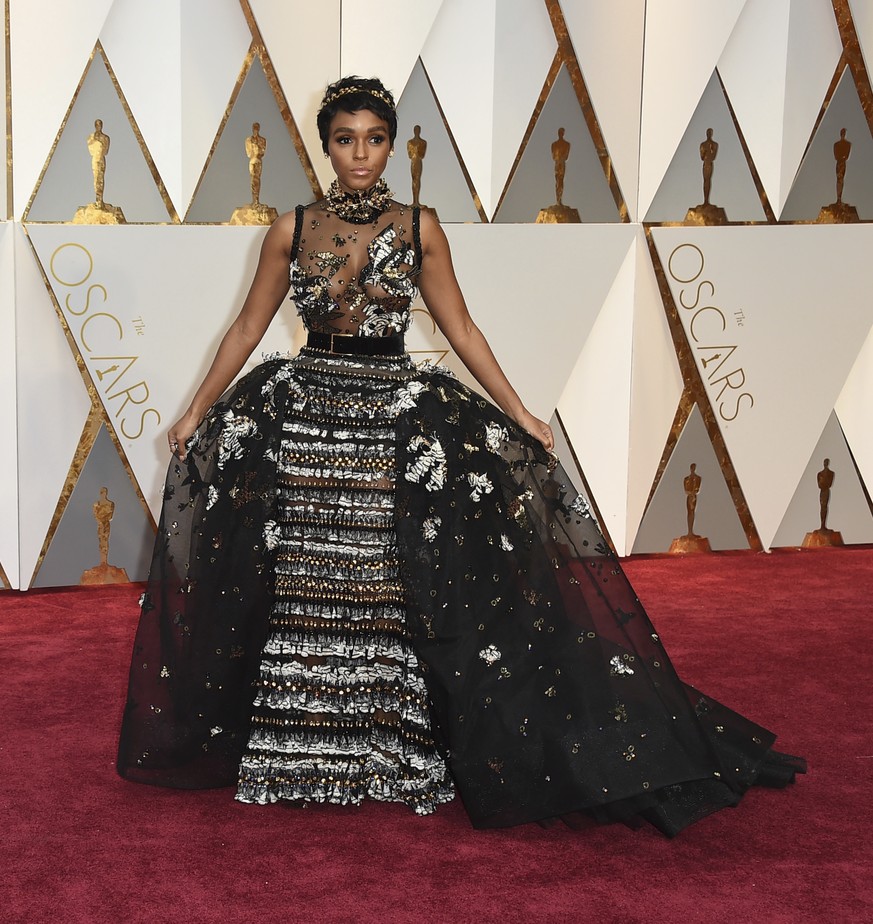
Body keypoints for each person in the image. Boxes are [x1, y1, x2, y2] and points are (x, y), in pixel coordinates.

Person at [118, 76, 803, 836]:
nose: (360, 155)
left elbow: (463, 329)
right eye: (346, 139)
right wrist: (196, 409)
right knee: (309, 582)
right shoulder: (291, 227)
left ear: (391, 144)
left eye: (374, 139)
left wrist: (520, 412)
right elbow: (246, 329)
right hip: (307, 415)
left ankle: (389, 748)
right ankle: (299, 750)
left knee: (381, 583)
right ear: (326, 144)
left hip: (392, 413)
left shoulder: (420, 227)